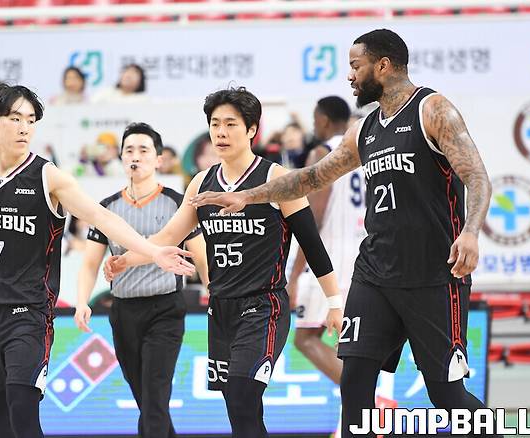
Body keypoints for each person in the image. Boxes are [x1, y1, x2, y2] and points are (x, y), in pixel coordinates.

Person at [191, 29, 494, 438]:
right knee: (354, 382)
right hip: (375, 274)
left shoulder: (432, 109)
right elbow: (312, 177)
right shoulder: (363, 129)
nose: (350, 76)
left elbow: (477, 176)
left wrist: (471, 232)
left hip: (433, 273)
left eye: (355, 66)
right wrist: (248, 195)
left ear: (382, 66)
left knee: (447, 395)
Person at [0, 84, 193, 438]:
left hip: (29, 312)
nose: (25, 128)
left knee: (22, 408)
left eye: (31, 120)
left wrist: (153, 252)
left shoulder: (48, 176)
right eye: (16, 119)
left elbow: (101, 217)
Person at [105, 87, 342, 437]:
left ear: (251, 129)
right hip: (221, 308)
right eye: (215, 124)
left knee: (244, 394)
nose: (221, 132)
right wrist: (127, 260)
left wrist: (334, 302)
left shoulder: (276, 179)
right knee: (239, 409)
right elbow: (167, 236)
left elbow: (313, 244)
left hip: (264, 306)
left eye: (230, 124)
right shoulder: (202, 182)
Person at [74, 122, 209, 438]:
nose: (136, 156)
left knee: (154, 397)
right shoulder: (107, 209)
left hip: (165, 309)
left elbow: (201, 256)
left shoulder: (178, 203)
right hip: (123, 312)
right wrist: (81, 302)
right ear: (121, 158)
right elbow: (90, 263)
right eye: (129, 150)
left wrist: (212, 292)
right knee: (147, 401)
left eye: (144, 150)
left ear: (159, 159)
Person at [287, 95, 355, 386]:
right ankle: (360, 407)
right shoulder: (363, 151)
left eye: (315, 120)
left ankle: (368, 399)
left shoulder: (322, 153)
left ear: (324, 120)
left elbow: (312, 220)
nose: (314, 126)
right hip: (364, 260)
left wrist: (293, 276)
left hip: (329, 263)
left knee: (305, 338)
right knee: (351, 347)